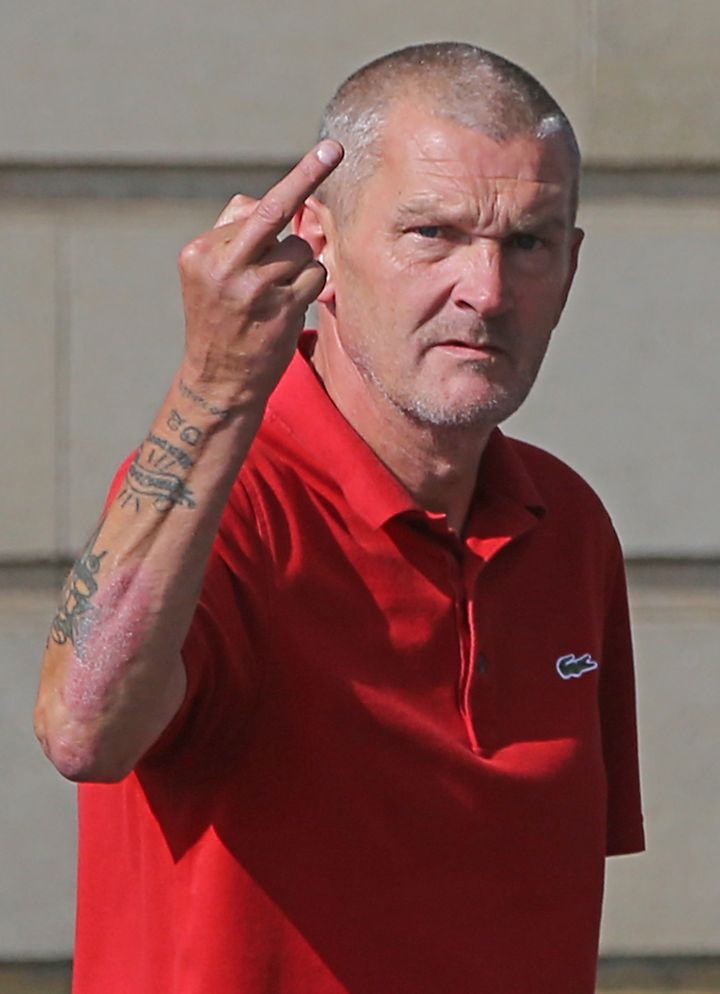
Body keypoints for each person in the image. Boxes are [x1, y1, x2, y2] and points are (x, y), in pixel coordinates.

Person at [35, 42, 644, 994]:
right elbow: (83, 732)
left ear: (570, 265)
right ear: (318, 244)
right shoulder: (225, 497)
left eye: (527, 241)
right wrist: (213, 385)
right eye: (432, 234)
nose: (485, 291)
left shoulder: (567, 525)